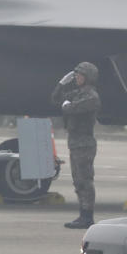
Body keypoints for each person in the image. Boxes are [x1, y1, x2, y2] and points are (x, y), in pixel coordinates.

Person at [51, 61, 101, 229]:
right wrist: (61, 84)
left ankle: (87, 216)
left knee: (85, 180)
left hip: (84, 144)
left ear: (88, 78)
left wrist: (67, 104)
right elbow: (56, 99)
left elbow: (71, 109)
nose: (77, 77)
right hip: (75, 143)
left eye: (80, 75)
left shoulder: (91, 96)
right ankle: (83, 215)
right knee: (78, 181)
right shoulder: (79, 93)